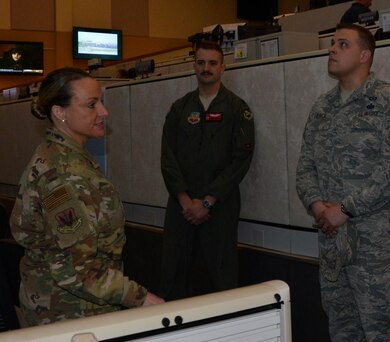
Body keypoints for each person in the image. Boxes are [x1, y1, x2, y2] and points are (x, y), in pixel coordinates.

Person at [295, 23, 390, 342]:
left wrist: (346, 209)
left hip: (374, 243)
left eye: (342, 44)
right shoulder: (322, 108)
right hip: (332, 240)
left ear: (365, 55)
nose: (332, 49)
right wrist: (319, 207)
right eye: (331, 43)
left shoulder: (387, 101)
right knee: (342, 324)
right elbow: (305, 169)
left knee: (384, 325)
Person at [9, 67, 164, 326]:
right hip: (71, 314)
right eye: (91, 105)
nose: (104, 112)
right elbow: (77, 270)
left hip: (74, 308)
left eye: (101, 102)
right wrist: (141, 298)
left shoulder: (67, 157)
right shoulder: (63, 174)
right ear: (60, 113)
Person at [159, 41, 255, 300]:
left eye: (212, 63)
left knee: (223, 280)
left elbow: (240, 159)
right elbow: (168, 159)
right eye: (201, 63)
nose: (206, 68)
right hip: (181, 207)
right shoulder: (180, 108)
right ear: (194, 66)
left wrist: (208, 201)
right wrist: (185, 200)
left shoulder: (237, 109)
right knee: (173, 276)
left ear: (222, 67)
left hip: (220, 206)